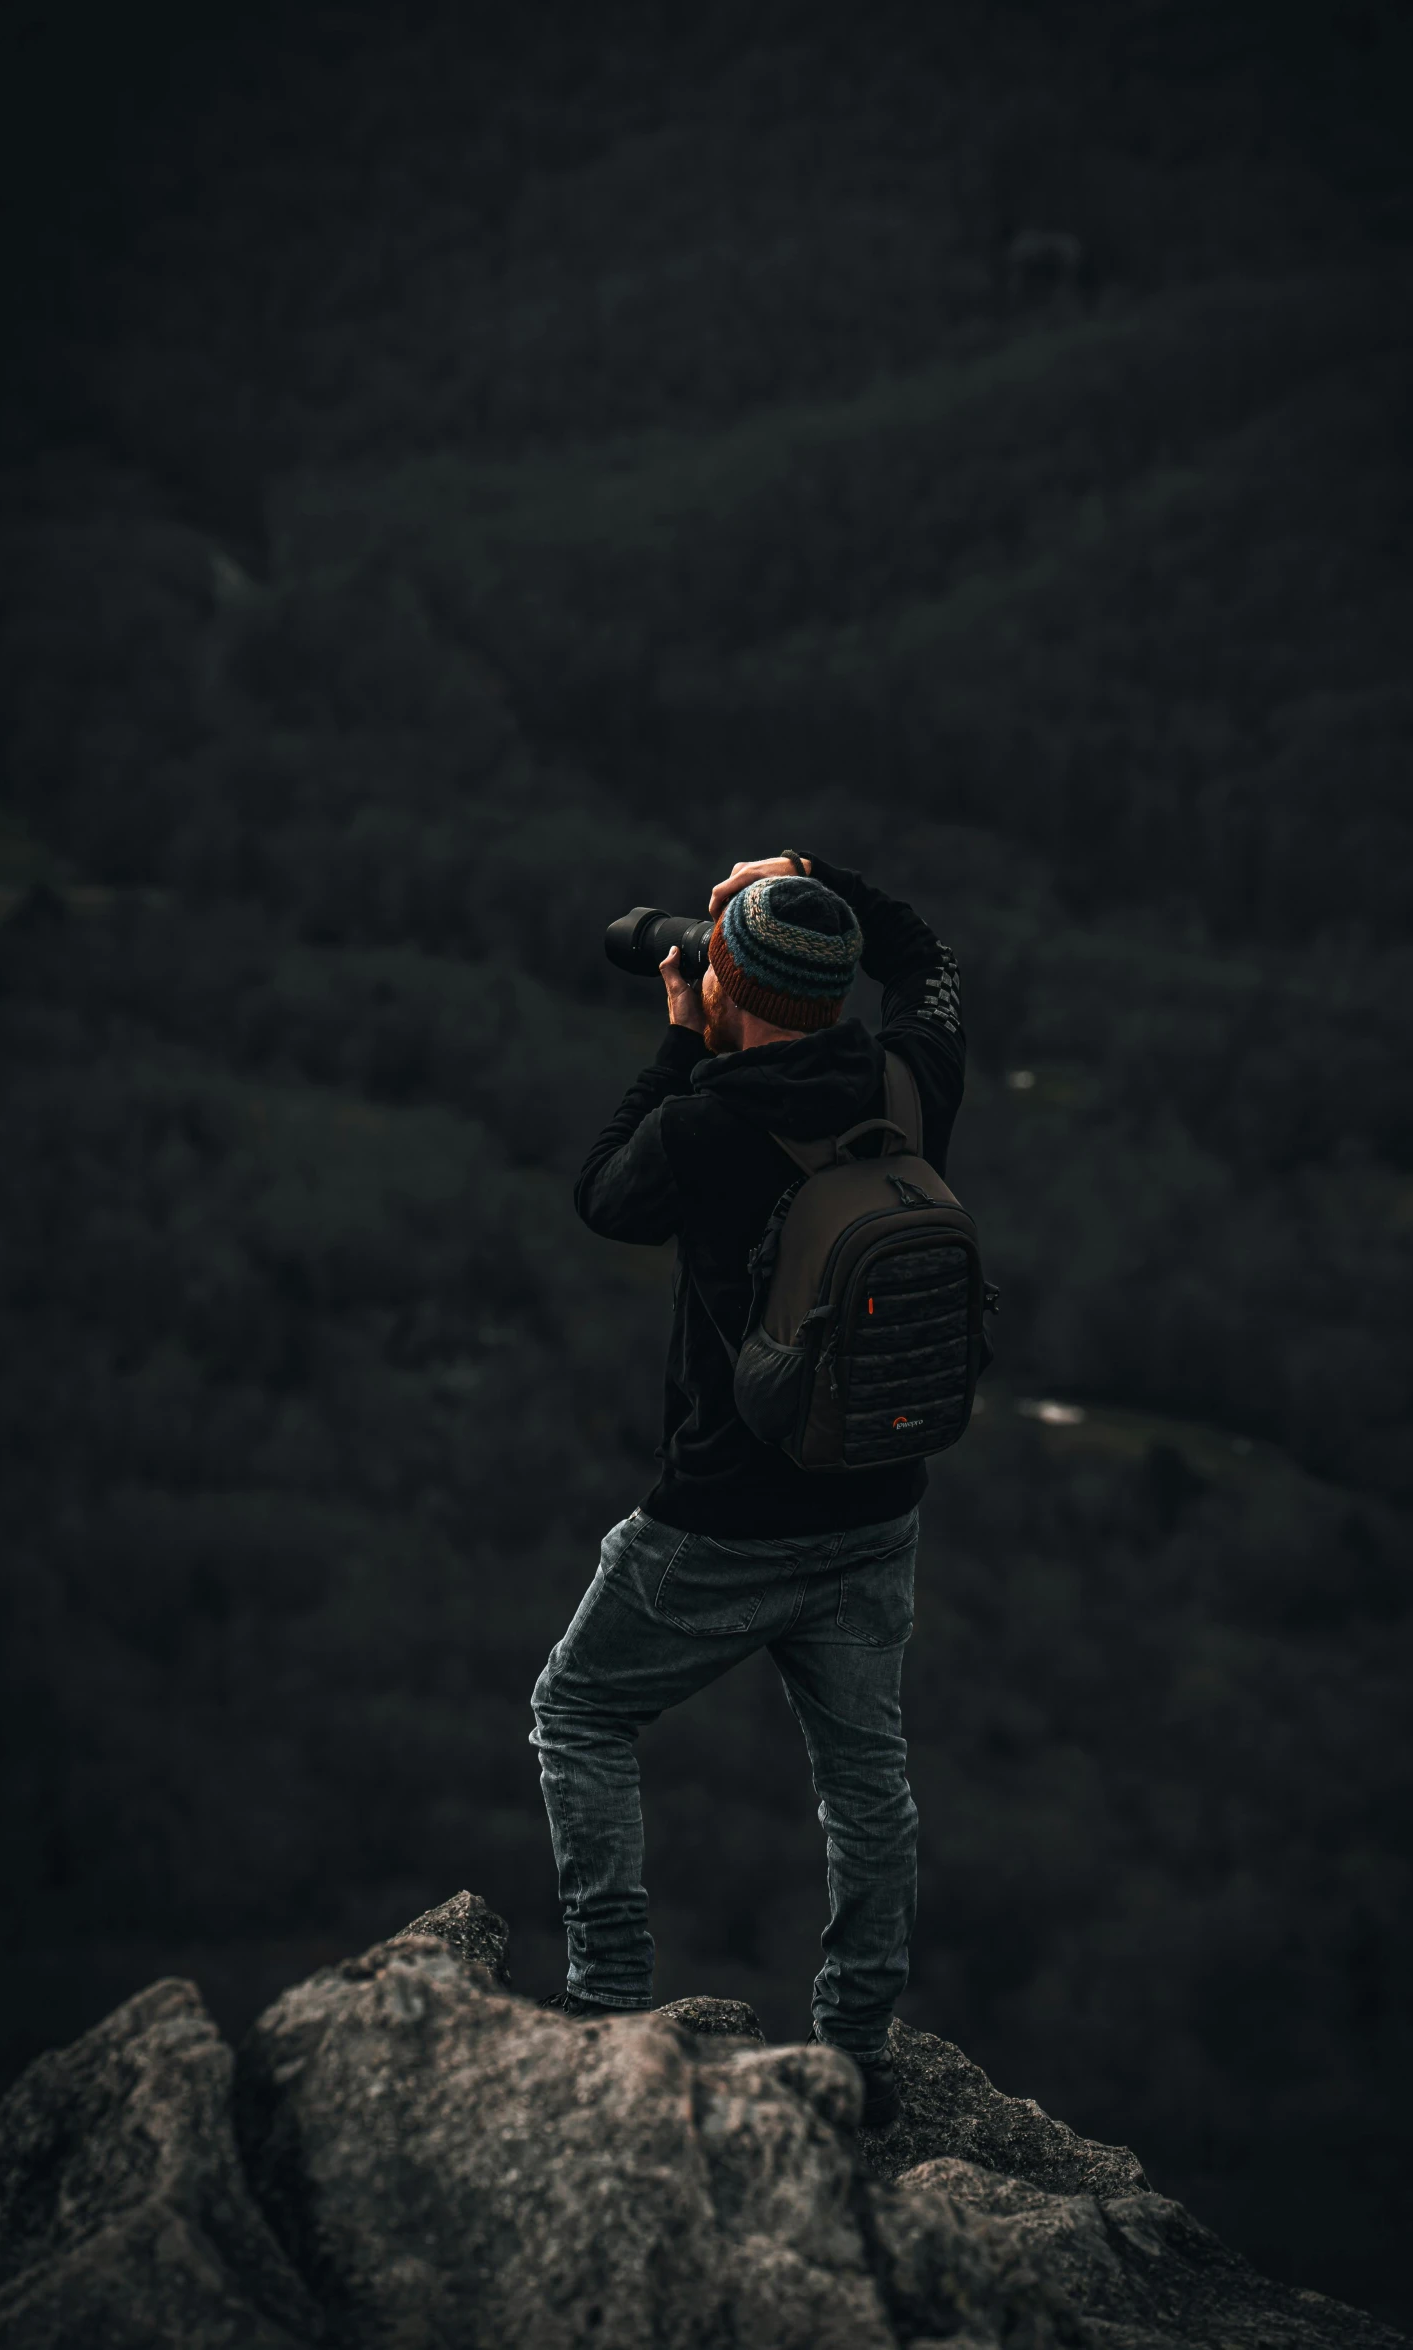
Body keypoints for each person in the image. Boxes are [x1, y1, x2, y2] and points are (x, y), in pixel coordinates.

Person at [528, 850, 965, 2129]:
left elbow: (603, 1196)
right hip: (876, 1504)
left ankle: (607, 2004)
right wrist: (821, 879)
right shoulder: (911, 1076)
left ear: (723, 979)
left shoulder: (708, 1120)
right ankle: (858, 2048)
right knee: (866, 1781)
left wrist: (676, 1045)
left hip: (719, 1521)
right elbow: (929, 959)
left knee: (578, 1712)